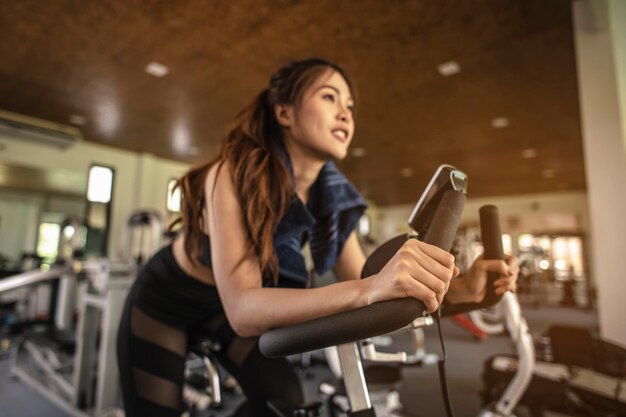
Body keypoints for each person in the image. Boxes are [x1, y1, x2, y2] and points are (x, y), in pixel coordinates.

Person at [117, 58, 519, 417]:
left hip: (217, 311)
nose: (345, 112)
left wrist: (464, 290)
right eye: (330, 97)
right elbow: (243, 309)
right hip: (167, 302)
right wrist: (370, 286)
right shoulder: (232, 173)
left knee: (286, 403)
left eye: (350, 106)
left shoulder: (332, 197)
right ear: (284, 112)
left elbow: (371, 291)